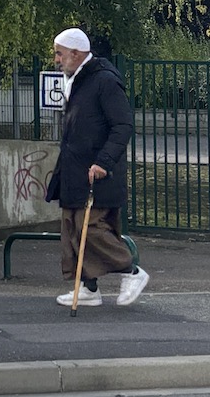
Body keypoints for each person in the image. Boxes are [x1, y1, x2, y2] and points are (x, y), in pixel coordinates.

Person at [44, 27, 149, 307]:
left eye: (60, 54)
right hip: (76, 170)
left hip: (98, 172)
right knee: (74, 229)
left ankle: (132, 271)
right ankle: (89, 289)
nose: (56, 60)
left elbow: (123, 125)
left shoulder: (103, 81)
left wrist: (103, 161)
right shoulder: (78, 81)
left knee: (90, 227)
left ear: (76, 54)